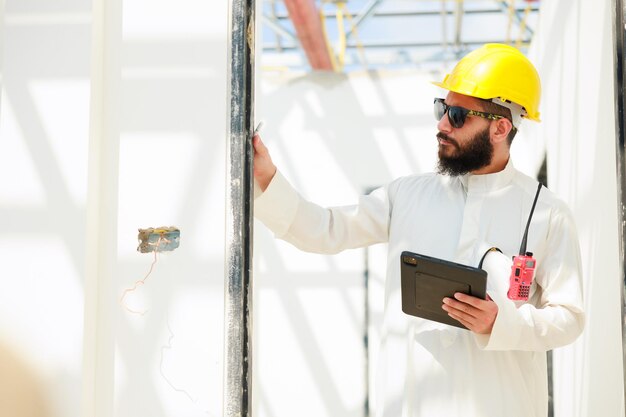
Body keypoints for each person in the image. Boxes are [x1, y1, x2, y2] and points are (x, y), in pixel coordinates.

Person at [252, 44, 584, 417]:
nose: (441, 124)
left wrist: (501, 323)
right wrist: (267, 180)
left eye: (456, 115)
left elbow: (569, 318)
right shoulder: (406, 195)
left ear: (500, 128)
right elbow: (326, 230)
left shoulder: (548, 213)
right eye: (441, 108)